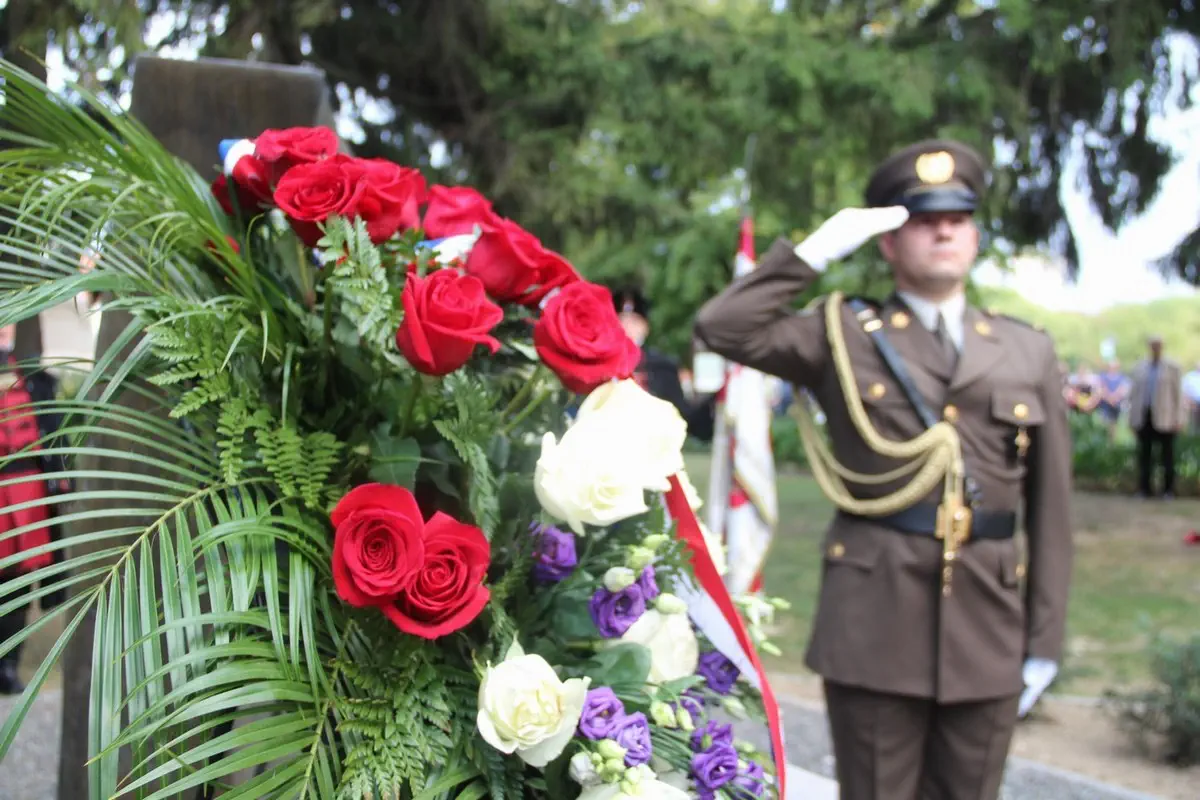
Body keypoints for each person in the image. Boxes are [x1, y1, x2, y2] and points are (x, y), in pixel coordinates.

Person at [694, 139, 1073, 800]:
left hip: (991, 622)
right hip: (874, 620)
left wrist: (1043, 640)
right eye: (922, 220)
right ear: (888, 242)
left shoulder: (1026, 349)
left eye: (957, 217)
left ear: (976, 235)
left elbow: (1052, 512)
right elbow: (724, 325)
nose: (944, 229)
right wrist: (815, 251)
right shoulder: (842, 331)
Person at [0, 323, 67, 694]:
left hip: (27, 492)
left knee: (20, 583)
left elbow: (53, 434)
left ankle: (8, 664)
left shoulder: (35, 378)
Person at [612, 287, 715, 442]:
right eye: (622, 320)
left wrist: (708, 395)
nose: (627, 328)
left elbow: (688, 419)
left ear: (645, 327)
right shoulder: (599, 366)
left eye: (634, 321)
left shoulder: (662, 368)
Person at [1128, 335, 1185, 499]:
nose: (1155, 348)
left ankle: (1168, 490)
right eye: (1153, 345)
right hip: (1144, 416)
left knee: (1167, 456)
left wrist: (1179, 418)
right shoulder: (1140, 368)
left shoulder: (1172, 367)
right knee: (1145, 455)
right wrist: (1132, 418)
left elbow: (1178, 395)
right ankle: (1145, 489)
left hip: (1166, 418)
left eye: (1158, 345)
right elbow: (1134, 395)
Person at [1095, 360, 1130, 434]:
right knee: (1103, 423)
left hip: (1116, 404)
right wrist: (1109, 398)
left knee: (1113, 424)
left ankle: (1111, 442)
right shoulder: (1103, 377)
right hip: (1105, 404)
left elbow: (1123, 389)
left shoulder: (1121, 377)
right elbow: (1100, 388)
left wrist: (1114, 397)